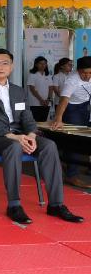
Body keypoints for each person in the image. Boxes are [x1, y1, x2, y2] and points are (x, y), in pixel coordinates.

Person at [0, 48, 83, 224]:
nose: (0, 67)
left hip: (19, 135)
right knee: (13, 146)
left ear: (11, 67)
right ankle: (14, 205)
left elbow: (27, 117)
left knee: (49, 145)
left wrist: (30, 135)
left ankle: (56, 204)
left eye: (5, 63)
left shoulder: (18, 91)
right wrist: (13, 137)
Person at [50, 56, 91, 188]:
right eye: (84, 72)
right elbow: (64, 100)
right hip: (72, 108)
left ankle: (75, 166)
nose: (87, 76)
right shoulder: (72, 81)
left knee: (83, 139)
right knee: (76, 141)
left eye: (90, 72)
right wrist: (58, 119)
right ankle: (71, 175)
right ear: (78, 71)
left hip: (85, 105)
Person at [26, 56, 52, 122]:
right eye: (41, 63)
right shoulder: (32, 74)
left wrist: (48, 99)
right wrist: (41, 100)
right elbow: (32, 89)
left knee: (44, 121)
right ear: (36, 64)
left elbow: (51, 88)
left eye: (44, 63)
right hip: (35, 103)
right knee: (35, 122)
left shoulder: (48, 75)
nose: (43, 65)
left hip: (46, 103)